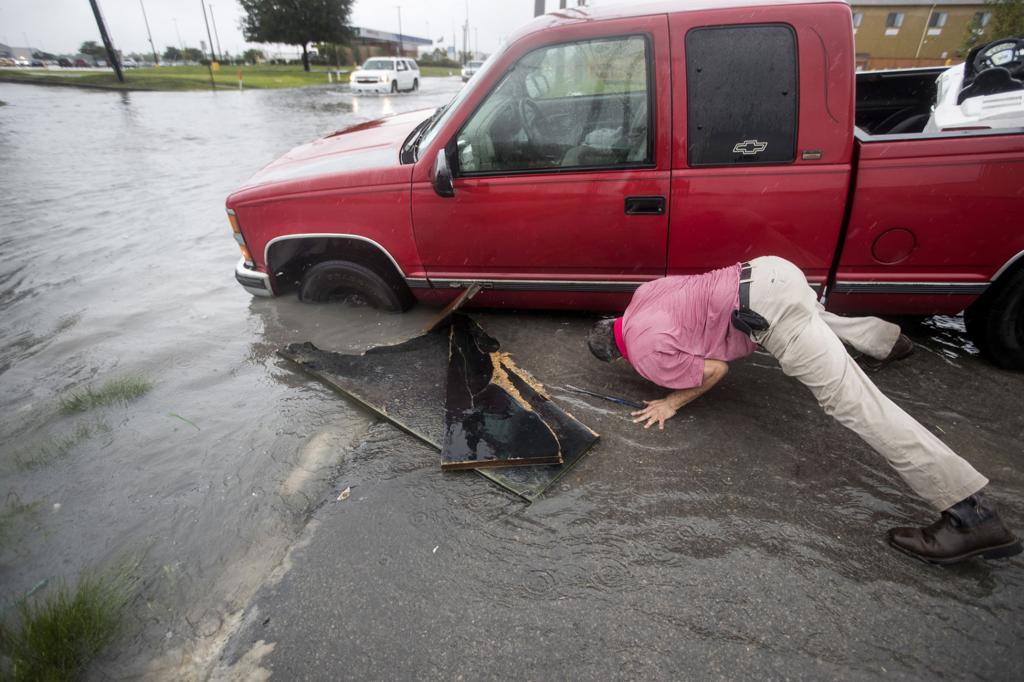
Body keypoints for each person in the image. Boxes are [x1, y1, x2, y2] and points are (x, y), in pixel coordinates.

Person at [587, 255, 1021, 565]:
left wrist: (669, 402)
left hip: (765, 312)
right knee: (811, 316)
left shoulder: (643, 353)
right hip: (769, 272)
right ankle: (890, 343)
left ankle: (971, 513)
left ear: (618, 356)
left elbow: (714, 370)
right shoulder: (643, 294)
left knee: (854, 403)